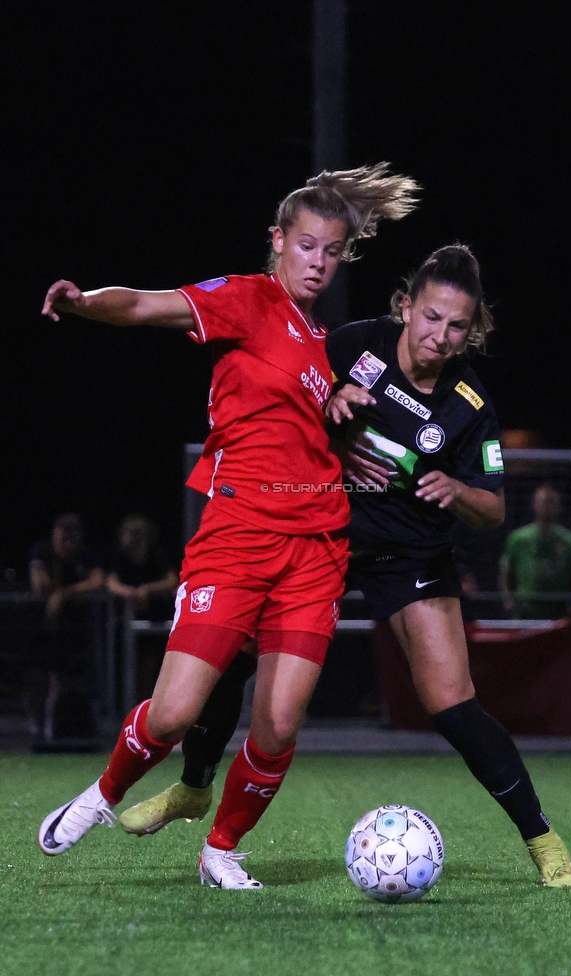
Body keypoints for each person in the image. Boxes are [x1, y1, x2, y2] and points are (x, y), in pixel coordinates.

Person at [121, 246, 571, 888]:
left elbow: (494, 508)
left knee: (451, 703)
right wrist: (332, 405)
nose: (439, 336)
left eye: (455, 326)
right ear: (406, 308)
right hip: (317, 533)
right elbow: (292, 388)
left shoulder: (471, 404)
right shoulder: (355, 345)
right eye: (430, 318)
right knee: (233, 656)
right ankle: (195, 787)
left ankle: (543, 841)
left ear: (469, 329)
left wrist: (456, 488)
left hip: (410, 554)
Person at [36, 163, 420, 889]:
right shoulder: (248, 300)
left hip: (316, 549)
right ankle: (102, 796)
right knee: (175, 712)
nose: (319, 261)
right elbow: (148, 307)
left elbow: (308, 433)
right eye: (307, 245)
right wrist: (86, 302)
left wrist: (344, 434)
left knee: (278, 724)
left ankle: (221, 847)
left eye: (333, 251)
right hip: (239, 533)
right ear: (278, 241)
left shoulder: (320, 342)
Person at [27, 513, 104, 739]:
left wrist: (63, 593)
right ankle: (38, 729)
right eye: (61, 535)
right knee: (39, 678)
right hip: (43, 629)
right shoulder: (43, 551)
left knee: (74, 684)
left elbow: (98, 581)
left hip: (76, 631)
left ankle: (73, 731)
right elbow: (39, 584)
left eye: (71, 536)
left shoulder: (85, 555)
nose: (65, 541)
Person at [106, 515, 179, 699]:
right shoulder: (121, 557)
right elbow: (111, 582)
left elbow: (171, 580)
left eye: (137, 535)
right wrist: (130, 592)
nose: (132, 540)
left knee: (156, 667)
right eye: (129, 534)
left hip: (158, 620)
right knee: (135, 669)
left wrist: (147, 589)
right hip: (129, 623)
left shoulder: (156, 554)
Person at [499, 485, 571, 619]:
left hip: (559, 611)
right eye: (544, 502)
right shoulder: (518, 538)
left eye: (551, 502)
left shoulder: (570, 540)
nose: (547, 506)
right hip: (526, 611)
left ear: (559, 506)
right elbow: (506, 573)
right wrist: (508, 602)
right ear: (534, 505)